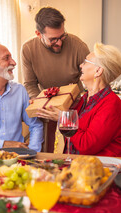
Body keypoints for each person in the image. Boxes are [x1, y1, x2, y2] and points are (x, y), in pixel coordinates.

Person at [36, 43, 121, 157]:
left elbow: (87, 145)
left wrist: (62, 118)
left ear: (98, 71)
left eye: (86, 62)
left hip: (103, 167)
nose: (81, 65)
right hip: (78, 162)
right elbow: (73, 131)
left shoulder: (111, 103)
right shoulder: (84, 98)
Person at [21, 6, 90, 152]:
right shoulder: (28, 49)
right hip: (45, 107)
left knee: (76, 149)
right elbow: (30, 84)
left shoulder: (78, 46)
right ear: (38, 34)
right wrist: (41, 105)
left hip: (75, 108)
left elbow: (92, 78)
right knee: (49, 150)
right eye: (53, 39)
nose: (59, 43)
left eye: (62, 36)